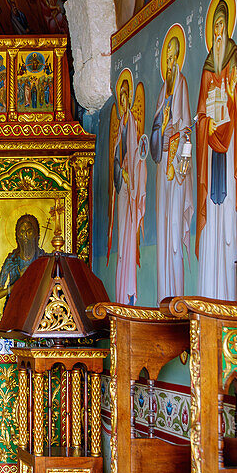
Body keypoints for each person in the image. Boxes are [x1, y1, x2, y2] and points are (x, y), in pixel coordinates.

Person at [196, 0, 237, 301]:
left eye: (221, 25)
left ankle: (226, 295)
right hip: (211, 141)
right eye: (214, 26)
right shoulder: (206, 65)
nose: (218, 32)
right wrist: (207, 125)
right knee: (212, 217)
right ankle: (209, 292)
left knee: (225, 212)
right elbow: (201, 112)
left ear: (227, 27)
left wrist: (230, 94)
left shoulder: (233, 55)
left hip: (229, 145)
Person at [150, 32, 193, 301]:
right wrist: (161, 131)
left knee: (175, 228)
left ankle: (176, 299)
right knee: (165, 230)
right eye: (166, 57)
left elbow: (186, 128)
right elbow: (156, 133)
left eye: (172, 56)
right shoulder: (161, 95)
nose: (169, 62)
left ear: (178, 58)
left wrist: (183, 160)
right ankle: (163, 299)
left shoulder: (183, 85)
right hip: (163, 169)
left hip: (176, 168)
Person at [110, 77, 146, 304]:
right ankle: (122, 293)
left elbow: (134, 155)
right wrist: (119, 172)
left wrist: (128, 173)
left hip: (129, 188)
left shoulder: (131, 124)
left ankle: (130, 290)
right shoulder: (120, 127)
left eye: (125, 98)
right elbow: (115, 158)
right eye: (121, 99)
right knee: (122, 235)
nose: (123, 103)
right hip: (122, 187)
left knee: (128, 235)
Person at [0, 214, 47, 301]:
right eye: (22, 232)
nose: (25, 236)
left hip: (37, 304)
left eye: (29, 232)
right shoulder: (12, 260)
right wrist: (18, 283)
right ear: (17, 235)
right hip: (14, 305)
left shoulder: (43, 258)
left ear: (36, 234)